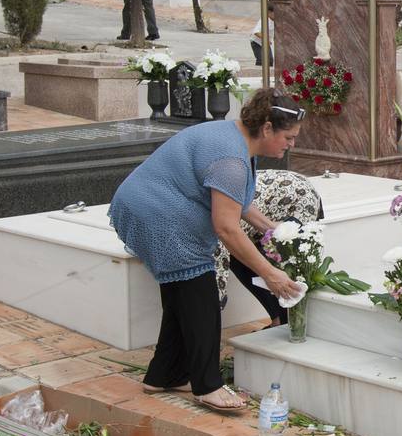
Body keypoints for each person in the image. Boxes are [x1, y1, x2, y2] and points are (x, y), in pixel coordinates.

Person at [108, 89, 305, 411]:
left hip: (144, 205)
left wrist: (277, 232)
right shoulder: (231, 159)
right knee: (200, 297)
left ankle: (163, 375)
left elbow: (239, 204)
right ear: (267, 128)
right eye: (289, 136)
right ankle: (207, 385)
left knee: (180, 297)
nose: (291, 144)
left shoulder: (236, 139)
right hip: (157, 215)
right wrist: (270, 273)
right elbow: (226, 227)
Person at [215, 169, 323, 328]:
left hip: (295, 197)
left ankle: (294, 322)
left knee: (290, 263)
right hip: (256, 208)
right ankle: (278, 318)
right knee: (241, 257)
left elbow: (216, 283)